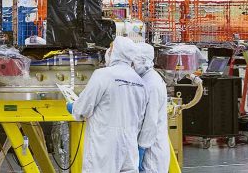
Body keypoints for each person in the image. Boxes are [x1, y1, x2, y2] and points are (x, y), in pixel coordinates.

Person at [68, 37, 148, 173]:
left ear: (117, 52)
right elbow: (140, 118)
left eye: (110, 49)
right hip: (129, 146)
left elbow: (83, 109)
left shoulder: (103, 75)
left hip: (104, 146)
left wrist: (73, 106)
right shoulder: (140, 82)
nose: (108, 52)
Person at [134, 43, 171, 173]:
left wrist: (141, 148)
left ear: (144, 60)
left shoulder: (152, 83)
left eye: (134, 60)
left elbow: (150, 121)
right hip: (150, 146)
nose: (132, 64)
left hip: (151, 152)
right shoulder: (147, 78)